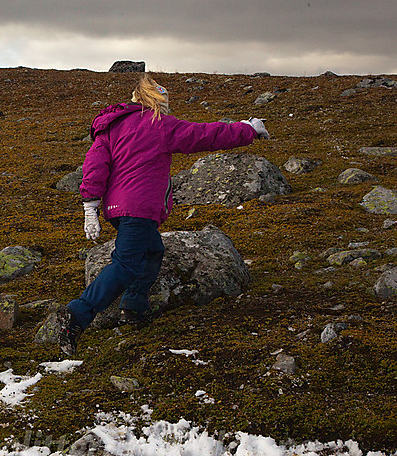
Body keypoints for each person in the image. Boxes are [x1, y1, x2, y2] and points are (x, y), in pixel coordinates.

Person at [57, 74, 269, 356]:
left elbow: (95, 166)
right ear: (157, 100)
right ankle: (78, 315)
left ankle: (134, 308)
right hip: (140, 208)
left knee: (153, 250)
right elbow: (206, 135)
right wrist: (247, 130)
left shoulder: (112, 127)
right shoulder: (158, 125)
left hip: (117, 209)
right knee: (126, 265)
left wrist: (91, 208)